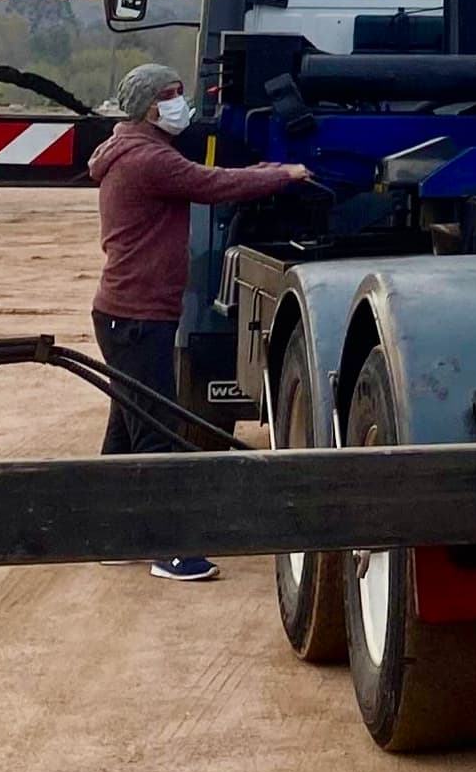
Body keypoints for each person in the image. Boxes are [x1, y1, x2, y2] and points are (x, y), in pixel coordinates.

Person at [89, 62, 320, 580]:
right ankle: (170, 550)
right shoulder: (148, 160)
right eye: (172, 95)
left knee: (126, 426)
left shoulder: (129, 148)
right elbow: (211, 184)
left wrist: (261, 170)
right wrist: (280, 175)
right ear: (151, 107)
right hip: (137, 317)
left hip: (124, 312)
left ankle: (105, 531)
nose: (182, 103)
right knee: (154, 430)